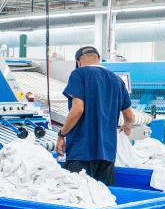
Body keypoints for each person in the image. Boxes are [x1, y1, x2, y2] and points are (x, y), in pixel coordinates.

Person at [57, 46, 136, 185]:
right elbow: (130, 117)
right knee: (104, 198)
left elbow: (77, 110)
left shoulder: (78, 74)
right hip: (107, 154)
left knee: (77, 198)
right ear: (98, 59)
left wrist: (62, 134)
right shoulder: (117, 80)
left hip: (81, 152)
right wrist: (127, 127)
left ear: (78, 62)